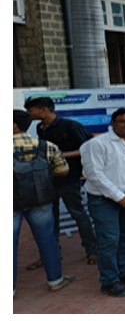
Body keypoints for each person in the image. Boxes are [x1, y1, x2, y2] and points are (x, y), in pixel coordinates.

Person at [81, 107, 125, 297]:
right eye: (123, 121)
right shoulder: (97, 144)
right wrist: (119, 196)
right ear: (113, 123)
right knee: (109, 240)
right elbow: (94, 174)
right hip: (104, 199)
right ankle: (109, 281)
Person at [23, 96, 98, 268]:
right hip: (47, 180)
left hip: (69, 178)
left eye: (31, 110)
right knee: (49, 218)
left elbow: (85, 149)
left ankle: (92, 250)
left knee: (78, 214)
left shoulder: (70, 126)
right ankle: (51, 254)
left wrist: (60, 156)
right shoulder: (40, 128)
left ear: (43, 109)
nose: (29, 114)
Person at [13, 109, 75, 295]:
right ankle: (55, 280)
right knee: (47, 239)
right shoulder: (46, 146)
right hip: (40, 200)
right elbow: (62, 170)